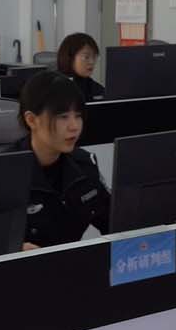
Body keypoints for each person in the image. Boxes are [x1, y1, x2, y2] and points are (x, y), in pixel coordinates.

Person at [6, 70, 110, 249]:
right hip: (22, 266)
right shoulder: (3, 174)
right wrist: (11, 248)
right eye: (63, 117)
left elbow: (114, 222)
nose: (74, 126)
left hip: (70, 264)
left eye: (78, 116)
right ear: (32, 120)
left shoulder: (84, 166)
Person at [55, 32, 104, 102]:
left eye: (94, 57)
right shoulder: (54, 85)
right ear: (70, 57)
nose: (92, 62)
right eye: (86, 57)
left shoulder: (94, 87)